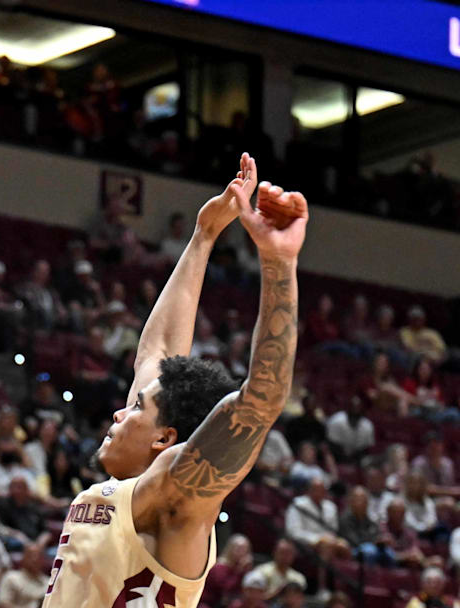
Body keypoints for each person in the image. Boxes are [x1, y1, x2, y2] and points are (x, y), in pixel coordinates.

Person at [45, 156, 308, 607]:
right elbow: (159, 352)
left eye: (136, 410)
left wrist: (278, 264)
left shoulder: (175, 495)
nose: (119, 410)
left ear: (165, 437)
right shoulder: (130, 488)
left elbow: (260, 402)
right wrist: (203, 236)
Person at [284, 478, 350, 561]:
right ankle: (322, 573)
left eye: (322, 490)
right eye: (316, 490)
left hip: (328, 541)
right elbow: (293, 532)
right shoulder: (298, 504)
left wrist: (329, 539)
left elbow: (333, 530)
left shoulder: (331, 506)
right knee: (327, 545)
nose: (319, 493)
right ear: (309, 490)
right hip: (305, 542)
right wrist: (317, 539)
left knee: (344, 545)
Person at [339, 486, 388, 565]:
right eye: (357, 499)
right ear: (351, 501)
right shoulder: (345, 519)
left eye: (364, 500)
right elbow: (355, 541)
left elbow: (376, 535)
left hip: (371, 549)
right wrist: (374, 542)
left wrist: (381, 541)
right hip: (353, 551)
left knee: (388, 553)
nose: (361, 502)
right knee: (369, 550)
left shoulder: (370, 520)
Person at [202, 534, 253, 608]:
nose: (242, 552)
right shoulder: (219, 567)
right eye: (239, 549)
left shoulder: (243, 568)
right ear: (230, 549)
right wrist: (240, 571)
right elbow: (225, 590)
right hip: (209, 604)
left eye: (245, 550)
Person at [0, 543, 49, 608]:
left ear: (43, 560)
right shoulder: (11, 578)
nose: (34, 559)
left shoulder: (49, 582)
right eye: (30, 556)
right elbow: (3, 605)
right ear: (23, 558)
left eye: (38, 556)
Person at [325, 395, 374, 462]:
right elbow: (332, 444)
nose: (355, 411)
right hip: (336, 455)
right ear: (347, 409)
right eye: (353, 408)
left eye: (358, 409)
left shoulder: (367, 426)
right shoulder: (336, 421)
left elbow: (366, 449)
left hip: (357, 458)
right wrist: (345, 457)